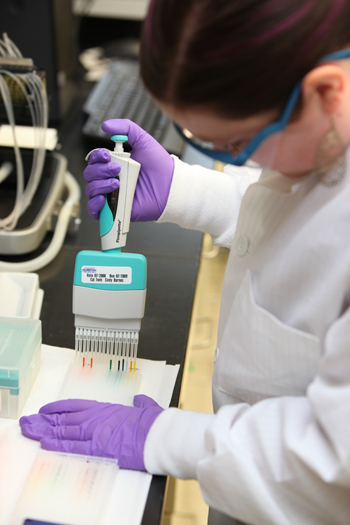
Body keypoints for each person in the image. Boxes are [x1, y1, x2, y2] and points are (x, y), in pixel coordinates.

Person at [20, 1, 350, 523]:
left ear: (326, 91)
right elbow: (300, 217)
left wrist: (164, 437)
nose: (237, 159)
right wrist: (185, 190)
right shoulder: (330, 134)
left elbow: (330, 467)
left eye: (236, 144)